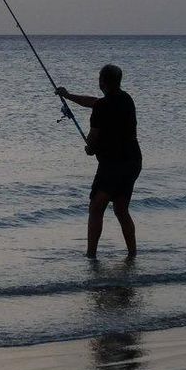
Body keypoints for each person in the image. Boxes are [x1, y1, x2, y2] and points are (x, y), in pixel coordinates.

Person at [57, 64, 142, 258]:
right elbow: (94, 102)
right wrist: (68, 96)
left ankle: (91, 255)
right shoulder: (126, 99)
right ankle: (132, 254)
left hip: (113, 164)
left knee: (96, 207)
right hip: (133, 161)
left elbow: (93, 140)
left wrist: (89, 149)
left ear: (102, 81)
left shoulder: (101, 108)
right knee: (121, 209)